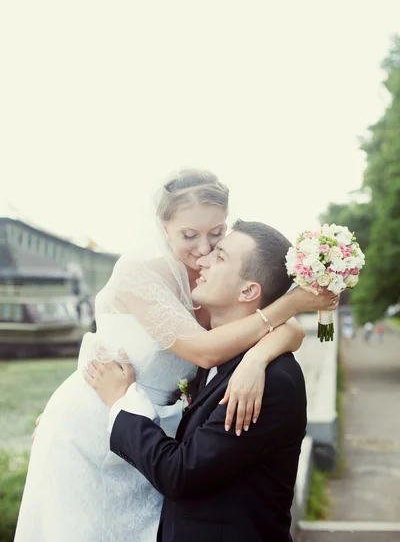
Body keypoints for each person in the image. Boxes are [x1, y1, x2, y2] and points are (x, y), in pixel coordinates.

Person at [15, 169, 338, 542]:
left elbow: (288, 329)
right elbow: (204, 352)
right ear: (163, 227)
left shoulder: (213, 281)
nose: (203, 249)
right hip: (98, 421)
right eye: (189, 235)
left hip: (150, 434)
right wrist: (293, 301)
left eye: (216, 235)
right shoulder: (141, 275)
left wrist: (256, 359)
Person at [86, 220, 336, 542]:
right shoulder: (215, 355)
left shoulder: (268, 383)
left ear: (248, 291)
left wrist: (121, 402)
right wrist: (84, 412)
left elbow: (180, 473)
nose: (202, 259)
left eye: (219, 257)